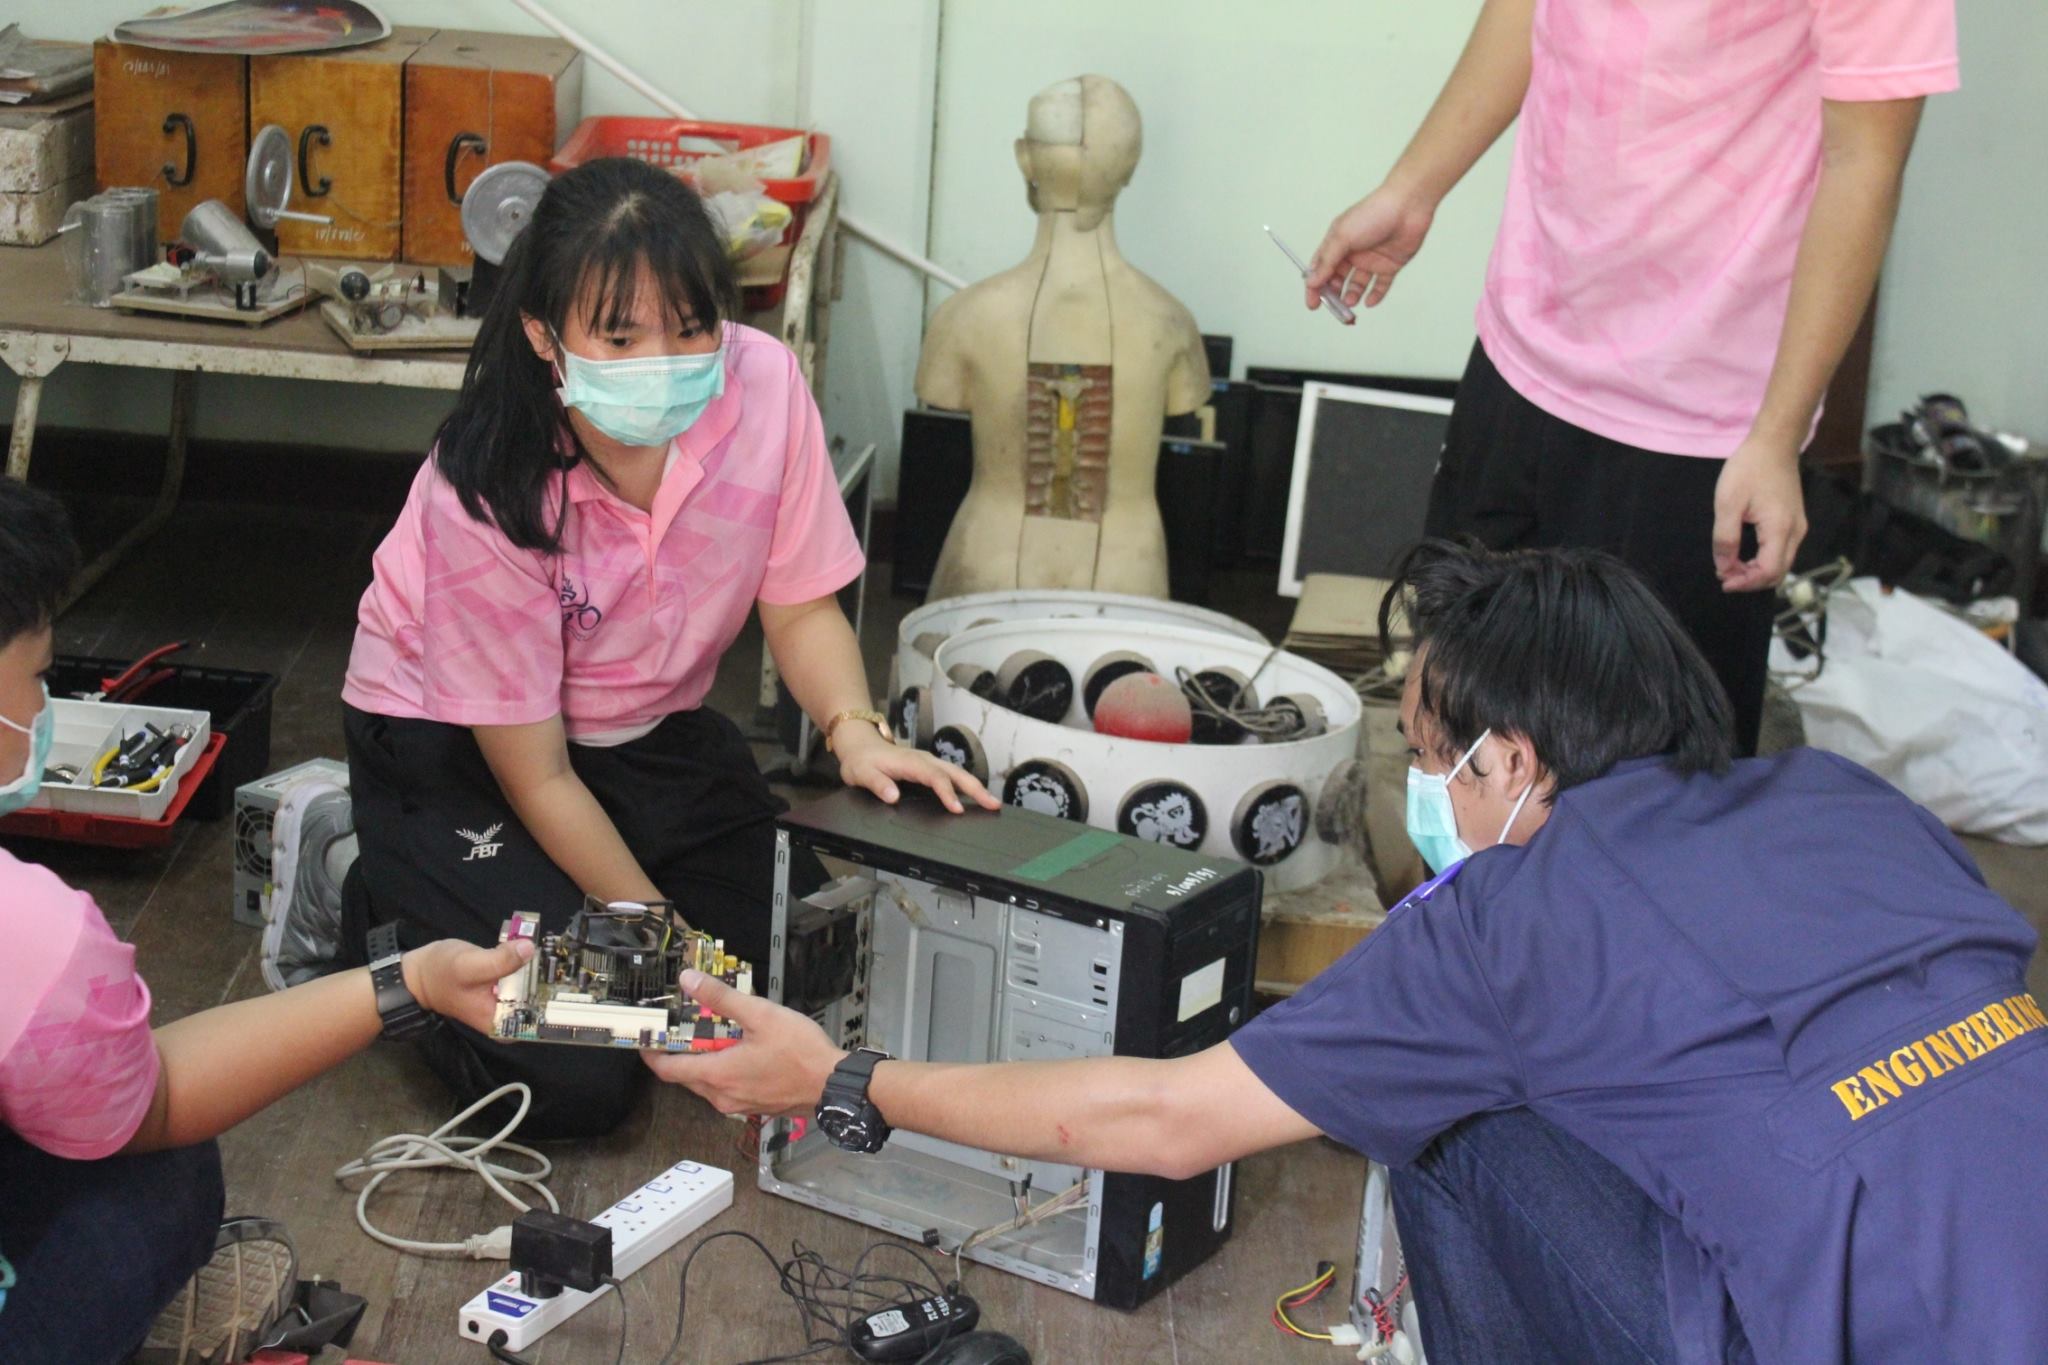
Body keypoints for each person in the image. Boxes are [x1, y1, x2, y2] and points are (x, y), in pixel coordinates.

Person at [652, 540, 2048, 1363]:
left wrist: (842, 1079)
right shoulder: (1846, 800)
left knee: (1444, 1117)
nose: (1427, 791)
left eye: (1432, 758)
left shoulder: (1512, 916)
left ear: (1512, 760)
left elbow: (1165, 1121)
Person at [269, 157, 994, 1141]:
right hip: (464, 753)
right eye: (619, 336)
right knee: (585, 1074)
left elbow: (800, 605)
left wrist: (853, 728)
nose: (664, 359)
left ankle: (529, 911)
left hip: (639, 735)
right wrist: (665, 945)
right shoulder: (483, 489)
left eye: (690, 326)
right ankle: (371, 890)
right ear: (543, 335)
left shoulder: (764, 386)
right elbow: (538, 777)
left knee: (796, 970)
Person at [1304, 0, 1957, 755]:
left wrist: (1776, 436)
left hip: (1696, 427)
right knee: (1456, 726)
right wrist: (1413, 188)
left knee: (1651, 783)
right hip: (1523, 354)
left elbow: (1864, 164)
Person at [0, 480, 535, 1365]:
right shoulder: (30, 937)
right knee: (162, 1176)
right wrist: (413, 981)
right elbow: (154, 1104)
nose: (43, 704)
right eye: (36, 676)